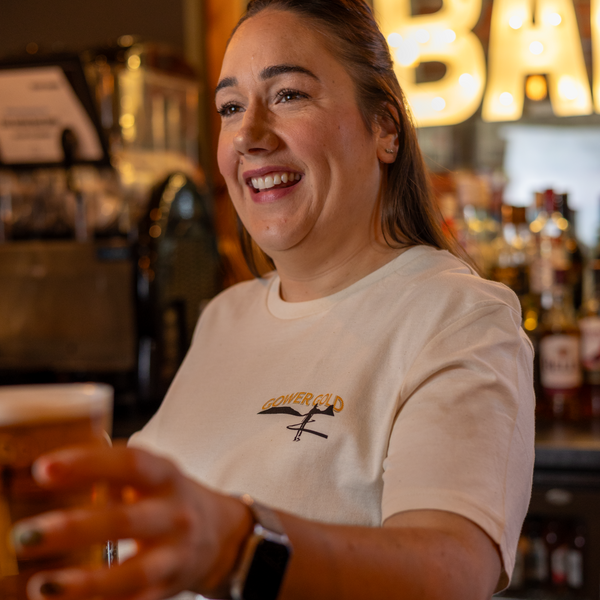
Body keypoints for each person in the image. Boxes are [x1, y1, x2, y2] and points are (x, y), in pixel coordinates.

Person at [13, 1, 535, 599]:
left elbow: (448, 571)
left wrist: (240, 547)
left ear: (384, 128)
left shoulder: (459, 317)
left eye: (288, 95)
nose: (249, 136)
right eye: (231, 108)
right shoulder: (224, 316)